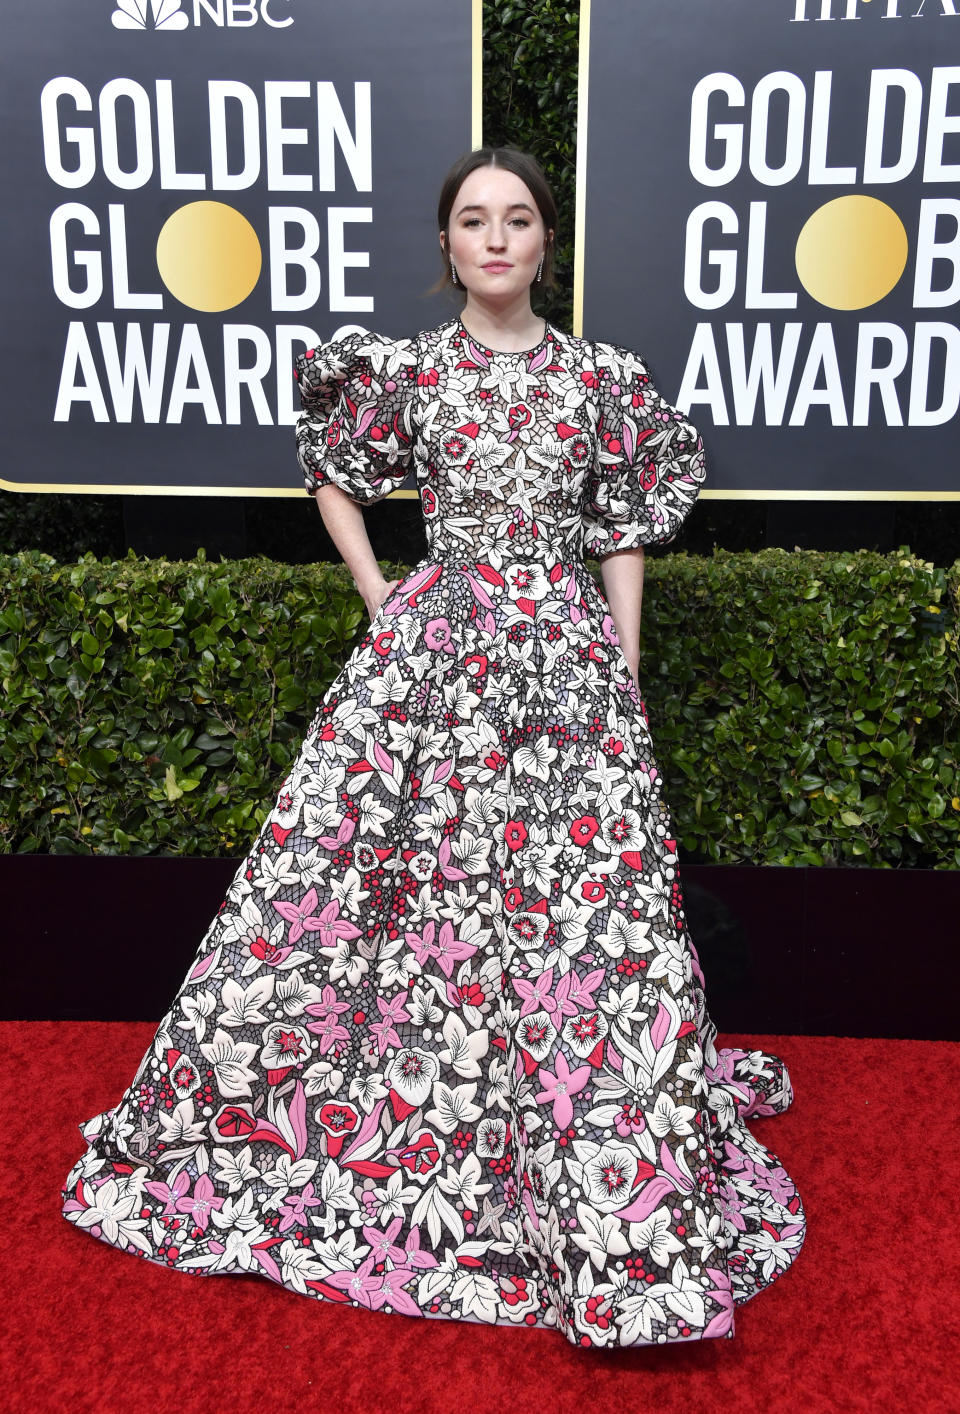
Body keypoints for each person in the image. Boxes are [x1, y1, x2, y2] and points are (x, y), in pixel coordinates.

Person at [61, 146, 805, 1349]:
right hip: (437, 659)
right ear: (447, 244)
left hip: (565, 670)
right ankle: (406, 1130)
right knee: (409, 902)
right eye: (474, 219)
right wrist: (381, 594)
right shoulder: (405, 374)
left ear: (545, 241)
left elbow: (621, 524)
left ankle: (591, 1159)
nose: (497, 239)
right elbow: (331, 469)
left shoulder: (601, 379)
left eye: (518, 219)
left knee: (579, 916)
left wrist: (620, 664)